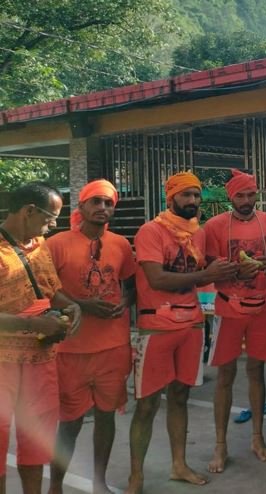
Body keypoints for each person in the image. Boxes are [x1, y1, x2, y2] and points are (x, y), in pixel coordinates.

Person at [127, 172, 239, 494]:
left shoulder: (198, 233)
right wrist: (205, 275)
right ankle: (136, 475)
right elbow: (157, 279)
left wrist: (239, 269)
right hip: (155, 327)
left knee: (180, 397)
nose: (192, 201)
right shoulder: (151, 231)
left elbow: (206, 273)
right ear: (171, 197)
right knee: (147, 404)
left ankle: (179, 465)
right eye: (186, 195)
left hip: (191, 325)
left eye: (196, 195)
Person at [46, 180, 137, 494]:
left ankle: (100, 482)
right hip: (71, 349)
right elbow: (44, 291)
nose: (102, 208)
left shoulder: (121, 244)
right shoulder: (57, 244)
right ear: (81, 205)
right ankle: (55, 486)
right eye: (96, 202)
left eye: (108, 203)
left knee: (106, 417)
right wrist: (82, 305)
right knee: (70, 422)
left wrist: (125, 302)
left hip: (113, 347)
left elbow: (131, 285)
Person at [0, 182, 82, 494]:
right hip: (3, 361)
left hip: (40, 357)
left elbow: (50, 290)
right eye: (50, 219)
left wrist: (71, 305)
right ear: (29, 211)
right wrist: (35, 323)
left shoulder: (39, 246)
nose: (53, 226)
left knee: (36, 440)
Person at [203, 169, 266, 473]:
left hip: (263, 307)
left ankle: (257, 438)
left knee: (257, 372)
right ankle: (220, 445)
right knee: (225, 376)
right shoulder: (214, 226)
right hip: (229, 308)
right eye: (240, 196)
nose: (246, 201)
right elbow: (209, 268)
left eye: (251, 195)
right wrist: (237, 270)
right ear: (230, 197)